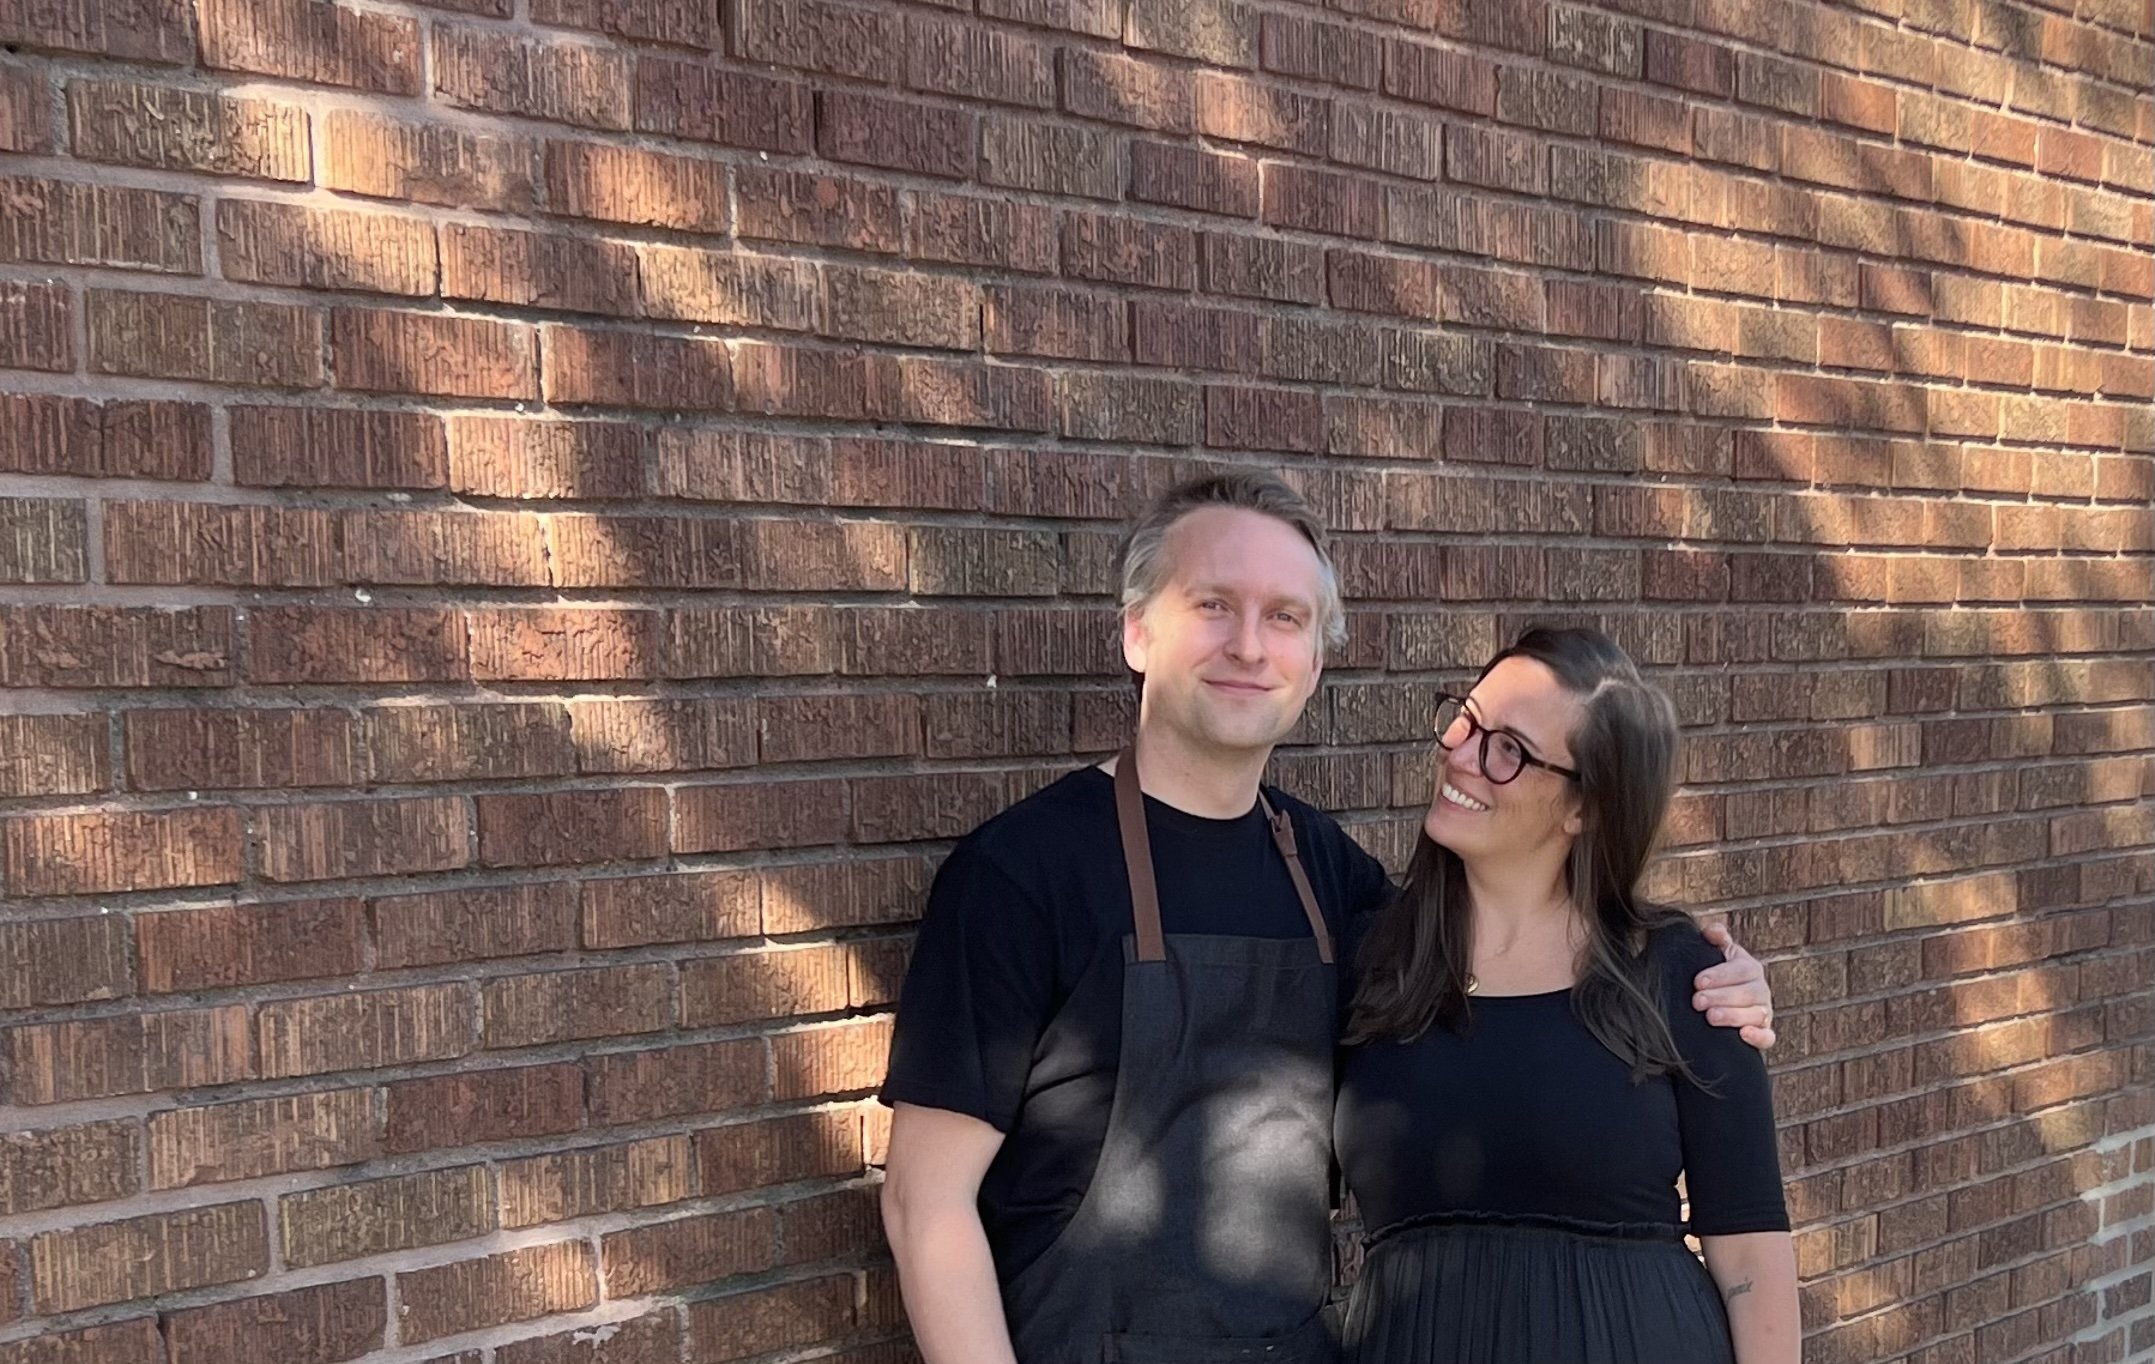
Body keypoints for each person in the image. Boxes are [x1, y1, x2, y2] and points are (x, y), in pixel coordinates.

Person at [878, 473, 1779, 1364]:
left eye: (1284, 617)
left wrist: (1707, 985)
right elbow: (925, 1204)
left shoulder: (1330, 878)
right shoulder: (1021, 873)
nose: (1247, 645)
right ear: (1136, 631)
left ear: (1313, 661)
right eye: (1212, 605)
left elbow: (1518, 1000)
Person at [1336, 626, 1798, 1364]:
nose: (1460, 753)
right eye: (1466, 719)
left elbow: (1749, 1253)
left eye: (1508, 750)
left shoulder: (1681, 977)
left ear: (1583, 808)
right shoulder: (1370, 964)